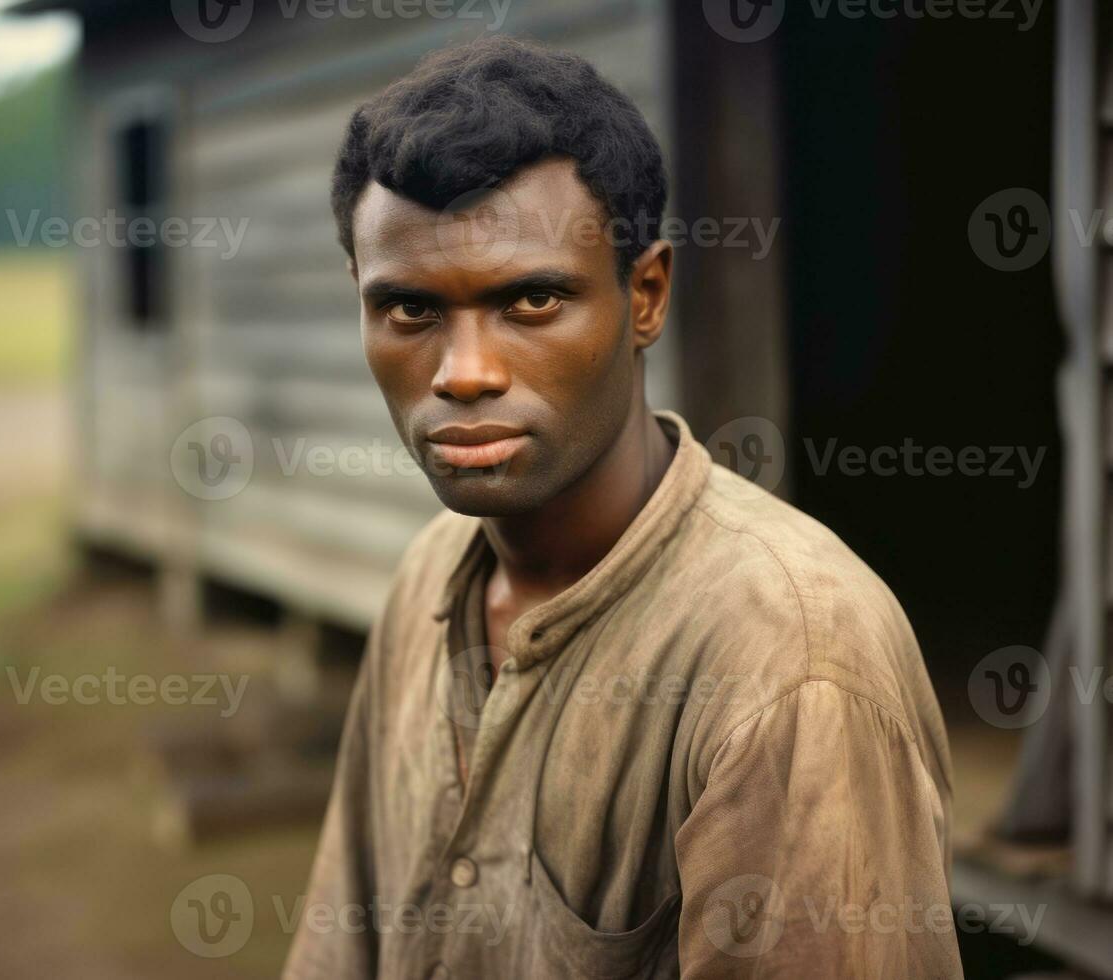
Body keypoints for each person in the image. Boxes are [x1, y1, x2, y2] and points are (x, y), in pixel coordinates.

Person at [284, 34, 960, 979]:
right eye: (409, 310)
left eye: (530, 300)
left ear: (643, 295)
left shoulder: (793, 667)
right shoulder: (429, 574)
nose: (463, 373)